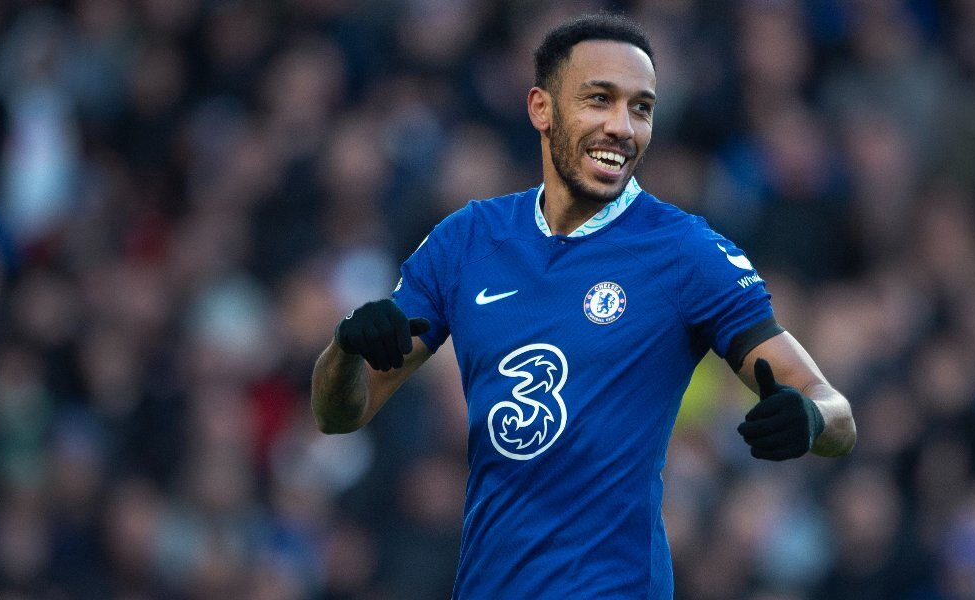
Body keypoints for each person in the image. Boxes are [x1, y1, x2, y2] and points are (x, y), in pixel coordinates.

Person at [311, 12, 856, 598]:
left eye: (641, 108)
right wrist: (346, 350)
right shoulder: (467, 241)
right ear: (541, 109)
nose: (622, 126)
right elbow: (338, 414)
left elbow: (836, 413)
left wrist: (809, 418)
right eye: (600, 99)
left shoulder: (686, 252)